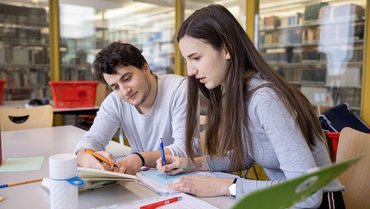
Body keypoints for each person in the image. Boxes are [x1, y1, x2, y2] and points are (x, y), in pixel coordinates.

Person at [156, 4, 345, 209]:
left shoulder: (265, 98)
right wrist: (193, 164)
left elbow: (308, 193)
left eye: (196, 58)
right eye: (187, 61)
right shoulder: (241, 92)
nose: (191, 71)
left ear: (226, 48)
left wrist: (228, 186)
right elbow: (248, 155)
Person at [75, 42, 200, 174]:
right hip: (143, 177)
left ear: (145, 68)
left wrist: (140, 158)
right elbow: (93, 138)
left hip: (181, 176)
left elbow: (188, 148)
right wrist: (85, 156)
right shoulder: (115, 101)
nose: (124, 91)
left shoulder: (179, 89)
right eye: (116, 87)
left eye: (127, 78)